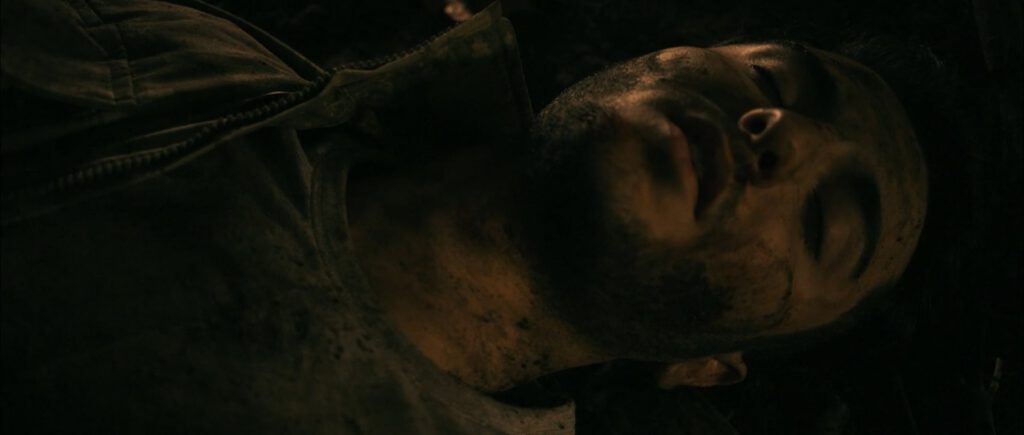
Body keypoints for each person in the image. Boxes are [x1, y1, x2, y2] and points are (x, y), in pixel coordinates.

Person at [0, 0, 928, 433]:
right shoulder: (183, 56)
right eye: (774, 78)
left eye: (828, 226)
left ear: (709, 366)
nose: (781, 132)